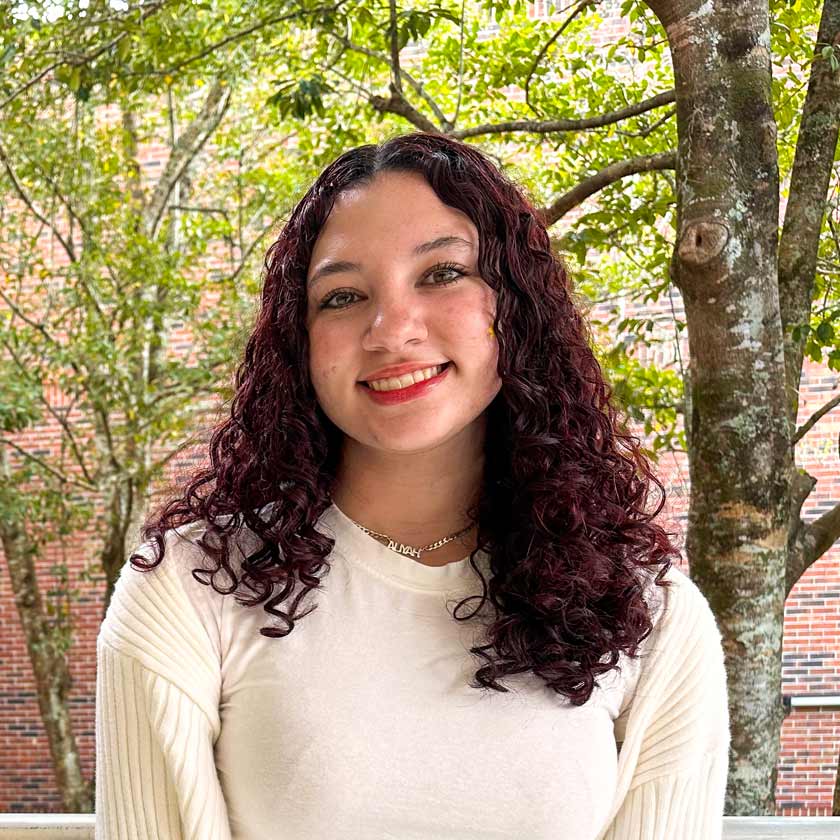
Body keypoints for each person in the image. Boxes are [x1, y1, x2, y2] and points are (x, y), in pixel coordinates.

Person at [95, 132, 730, 840]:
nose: (390, 330)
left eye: (440, 274)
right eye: (342, 295)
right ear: (298, 343)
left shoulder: (650, 614)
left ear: (516, 309)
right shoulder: (188, 591)